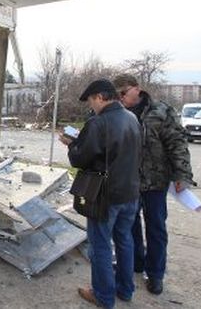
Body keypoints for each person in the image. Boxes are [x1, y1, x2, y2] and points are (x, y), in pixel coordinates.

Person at [60, 79, 142, 308]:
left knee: (100, 247)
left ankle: (104, 296)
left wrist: (71, 144)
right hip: (130, 192)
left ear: (99, 97)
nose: (91, 106)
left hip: (105, 195)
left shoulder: (98, 123)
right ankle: (125, 290)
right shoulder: (131, 117)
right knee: (125, 241)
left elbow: (79, 159)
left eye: (90, 101)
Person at [113, 74, 195, 295]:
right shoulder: (116, 113)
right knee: (128, 225)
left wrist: (182, 174)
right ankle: (135, 262)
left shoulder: (160, 111)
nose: (121, 97)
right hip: (128, 181)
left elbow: (177, 142)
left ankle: (156, 273)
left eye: (124, 92)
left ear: (137, 89)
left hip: (155, 181)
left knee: (156, 227)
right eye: (117, 94)